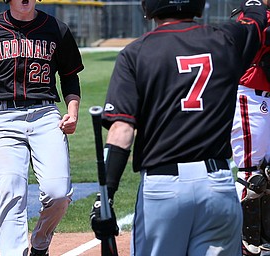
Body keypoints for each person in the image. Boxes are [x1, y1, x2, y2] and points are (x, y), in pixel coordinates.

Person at [89, 0, 267, 255]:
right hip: (217, 186)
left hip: (163, 190)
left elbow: (122, 131)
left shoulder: (136, 53)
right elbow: (255, 21)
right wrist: (255, 4)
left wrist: (105, 195)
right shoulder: (226, 39)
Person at [0, 0, 84, 255]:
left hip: (45, 116)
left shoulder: (56, 28)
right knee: (11, 190)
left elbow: (69, 76)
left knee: (59, 194)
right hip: (3, 118)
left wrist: (72, 112)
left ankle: (40, 244)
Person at [231, 3, 270, 256]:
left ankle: (263, 238)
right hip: (250, 96)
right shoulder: (251, 13)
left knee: (266, 172)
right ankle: (241, 241)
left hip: (265, 95)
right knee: (251, 173)